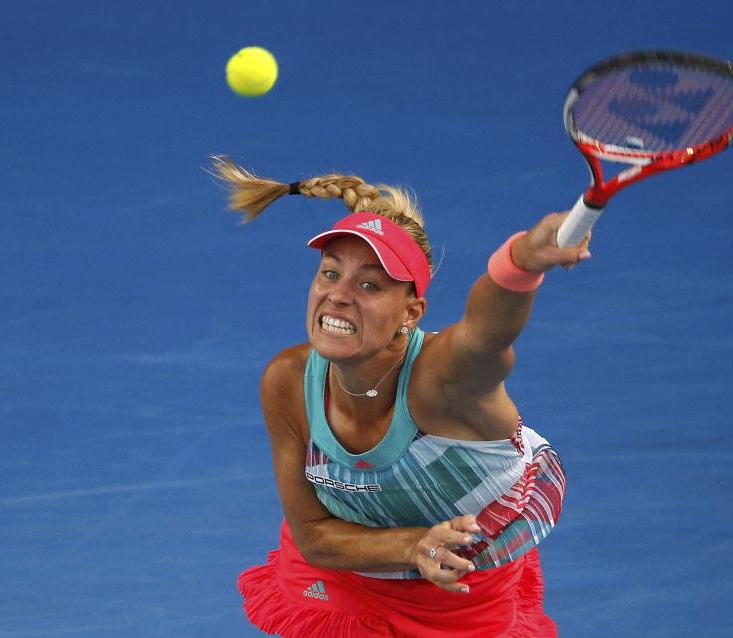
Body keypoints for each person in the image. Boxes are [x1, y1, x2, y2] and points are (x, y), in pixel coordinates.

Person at [211, 156, 592, 637]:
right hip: (346, 571)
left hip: (459, 585)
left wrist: (521, 263)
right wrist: (413, 545)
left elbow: (485, 335)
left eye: (369, 285)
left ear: (411, 313)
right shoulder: (287, 381)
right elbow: (311, 534)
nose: (339, 295)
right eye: (330, 274)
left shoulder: (445, 382)